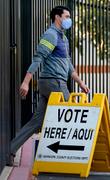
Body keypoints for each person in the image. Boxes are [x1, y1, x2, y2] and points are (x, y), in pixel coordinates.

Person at [10, 6, 89, 162]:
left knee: (37, 122)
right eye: (66, 16)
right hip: (55, 83)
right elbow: (38, 58)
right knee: (71, 115)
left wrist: (80, 83)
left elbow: (69, 66)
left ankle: (10, 150)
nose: (69, 20)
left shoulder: (64, 38)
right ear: (57, 17)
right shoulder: (51, 35)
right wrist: (26, 82)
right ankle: (75, 156)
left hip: (50, 83)